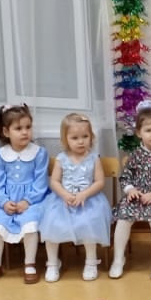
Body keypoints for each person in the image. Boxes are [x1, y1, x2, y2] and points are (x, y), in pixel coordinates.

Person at [0, 103, 49, 285]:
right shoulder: (0, 154)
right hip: (5, 200)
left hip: (32, 200)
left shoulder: (39, 153)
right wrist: (3, 202)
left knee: (30, 223)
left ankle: (30, 263)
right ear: (6, 131)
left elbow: (41, 182)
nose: (25, 132)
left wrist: (28, 200)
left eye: (28, 127)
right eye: (18, 128)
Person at [41, 113, 112, 282]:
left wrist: (84, 194)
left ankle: (91, 262)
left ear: (91, 137)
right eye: (75, 138)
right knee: (52, 224)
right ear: (65, 139)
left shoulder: (94, 158)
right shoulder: (61, 159)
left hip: (89, 201)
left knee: (90, 223)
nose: (81, 141)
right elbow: (54, 181)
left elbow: (99, 182)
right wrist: (65, 194)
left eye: (85, 137)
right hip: (62, 201)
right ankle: (52, 263)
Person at [109, 104, 151, 281]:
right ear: (139, 133)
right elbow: (125, 177)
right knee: (123, 216)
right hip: (137, 197)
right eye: (148, 130)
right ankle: (118, 258)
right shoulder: (135, 155)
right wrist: (130, 190)